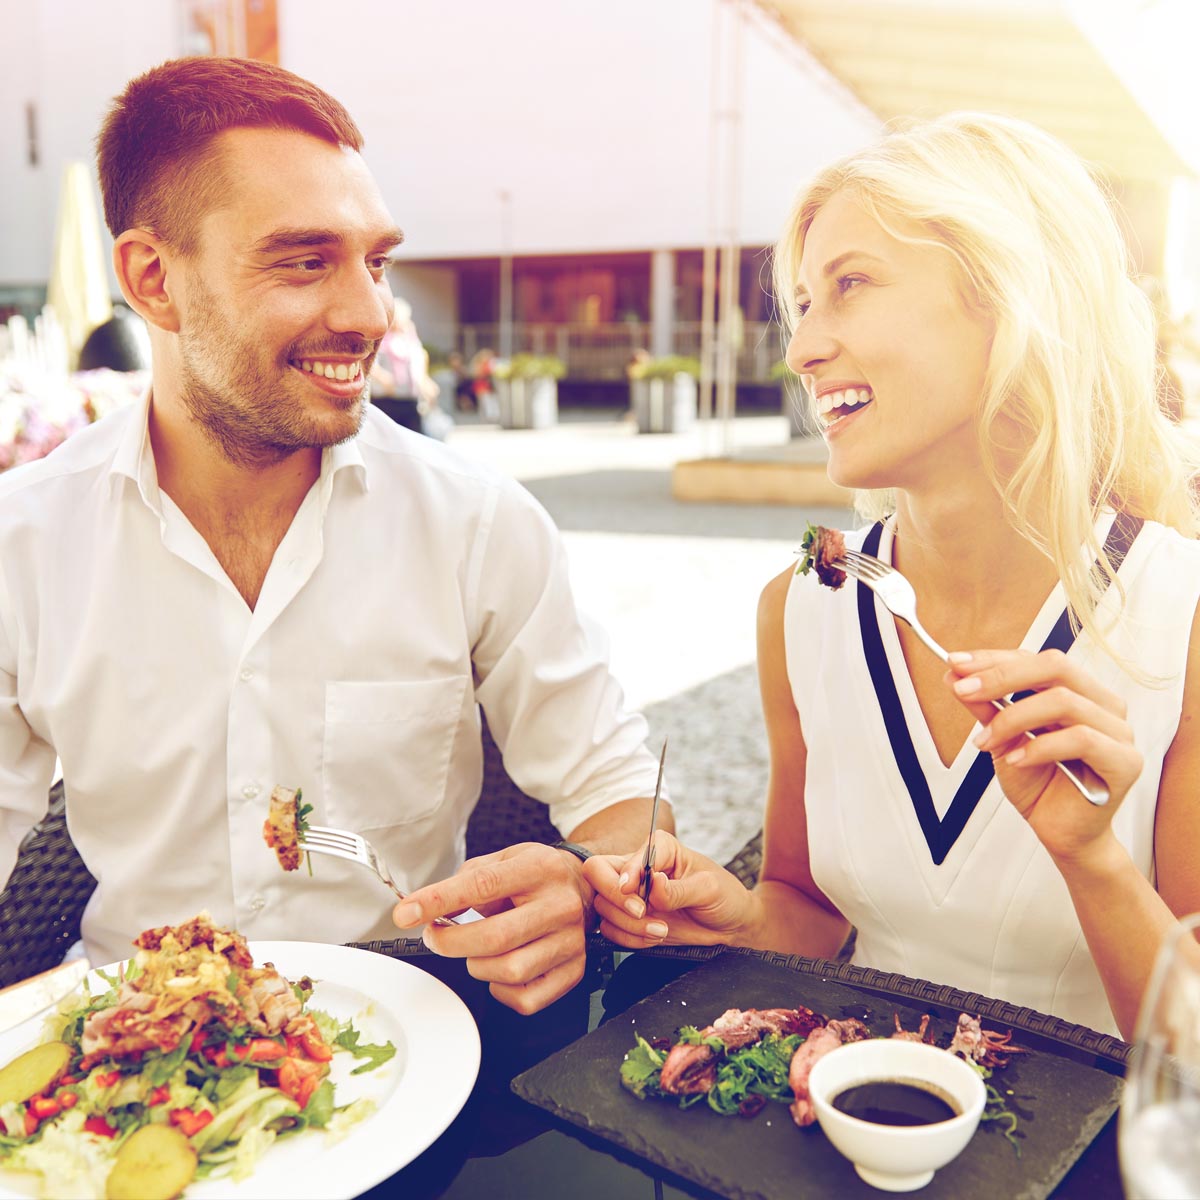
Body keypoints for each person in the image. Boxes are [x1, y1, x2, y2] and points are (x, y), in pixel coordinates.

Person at [0, 57, 671, 1016]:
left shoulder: (475, 521)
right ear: (154, 280)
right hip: (136, 1060)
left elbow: (620, 798)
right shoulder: (24, 544)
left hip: (419, 1042)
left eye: (377, 261)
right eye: (305, 260)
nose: (369, 315)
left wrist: (595, 887)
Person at [585, 111, 1200, 1040]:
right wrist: (736, 913)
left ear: (1012, 302)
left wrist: (1093, 862)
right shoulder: (801, 608)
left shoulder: (1181, 614)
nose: (799, 349)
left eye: (851, 285)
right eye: (802, 304)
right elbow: (806, 904)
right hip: (846, 1128)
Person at [367, 297, 435, 433]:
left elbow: (418, 364)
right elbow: (370, 364)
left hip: (409, 400)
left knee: (414, 441)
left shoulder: (411, 340)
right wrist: (384, 378)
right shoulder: (379, 338)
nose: (400, 322)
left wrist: (426, 383)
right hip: (386, 399)